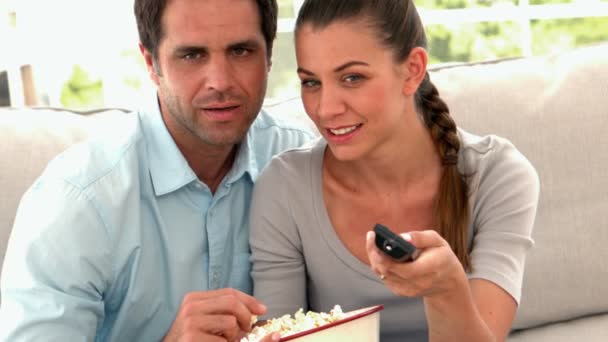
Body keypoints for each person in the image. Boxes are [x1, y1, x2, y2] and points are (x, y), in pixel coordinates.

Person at [0, 0, 313, 341]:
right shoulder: (77, 200)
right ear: (151, 63)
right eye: (192, 55)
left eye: (241, 51)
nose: (220, 82)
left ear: (268, 56)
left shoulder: (300, 161)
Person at [249, 0, 540, 341]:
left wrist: (447, 292)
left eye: (352, 77)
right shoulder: (285, 188)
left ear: (413, 69)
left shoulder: (498, 175)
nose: (325, 109)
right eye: (311, 83)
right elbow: (277, 330)